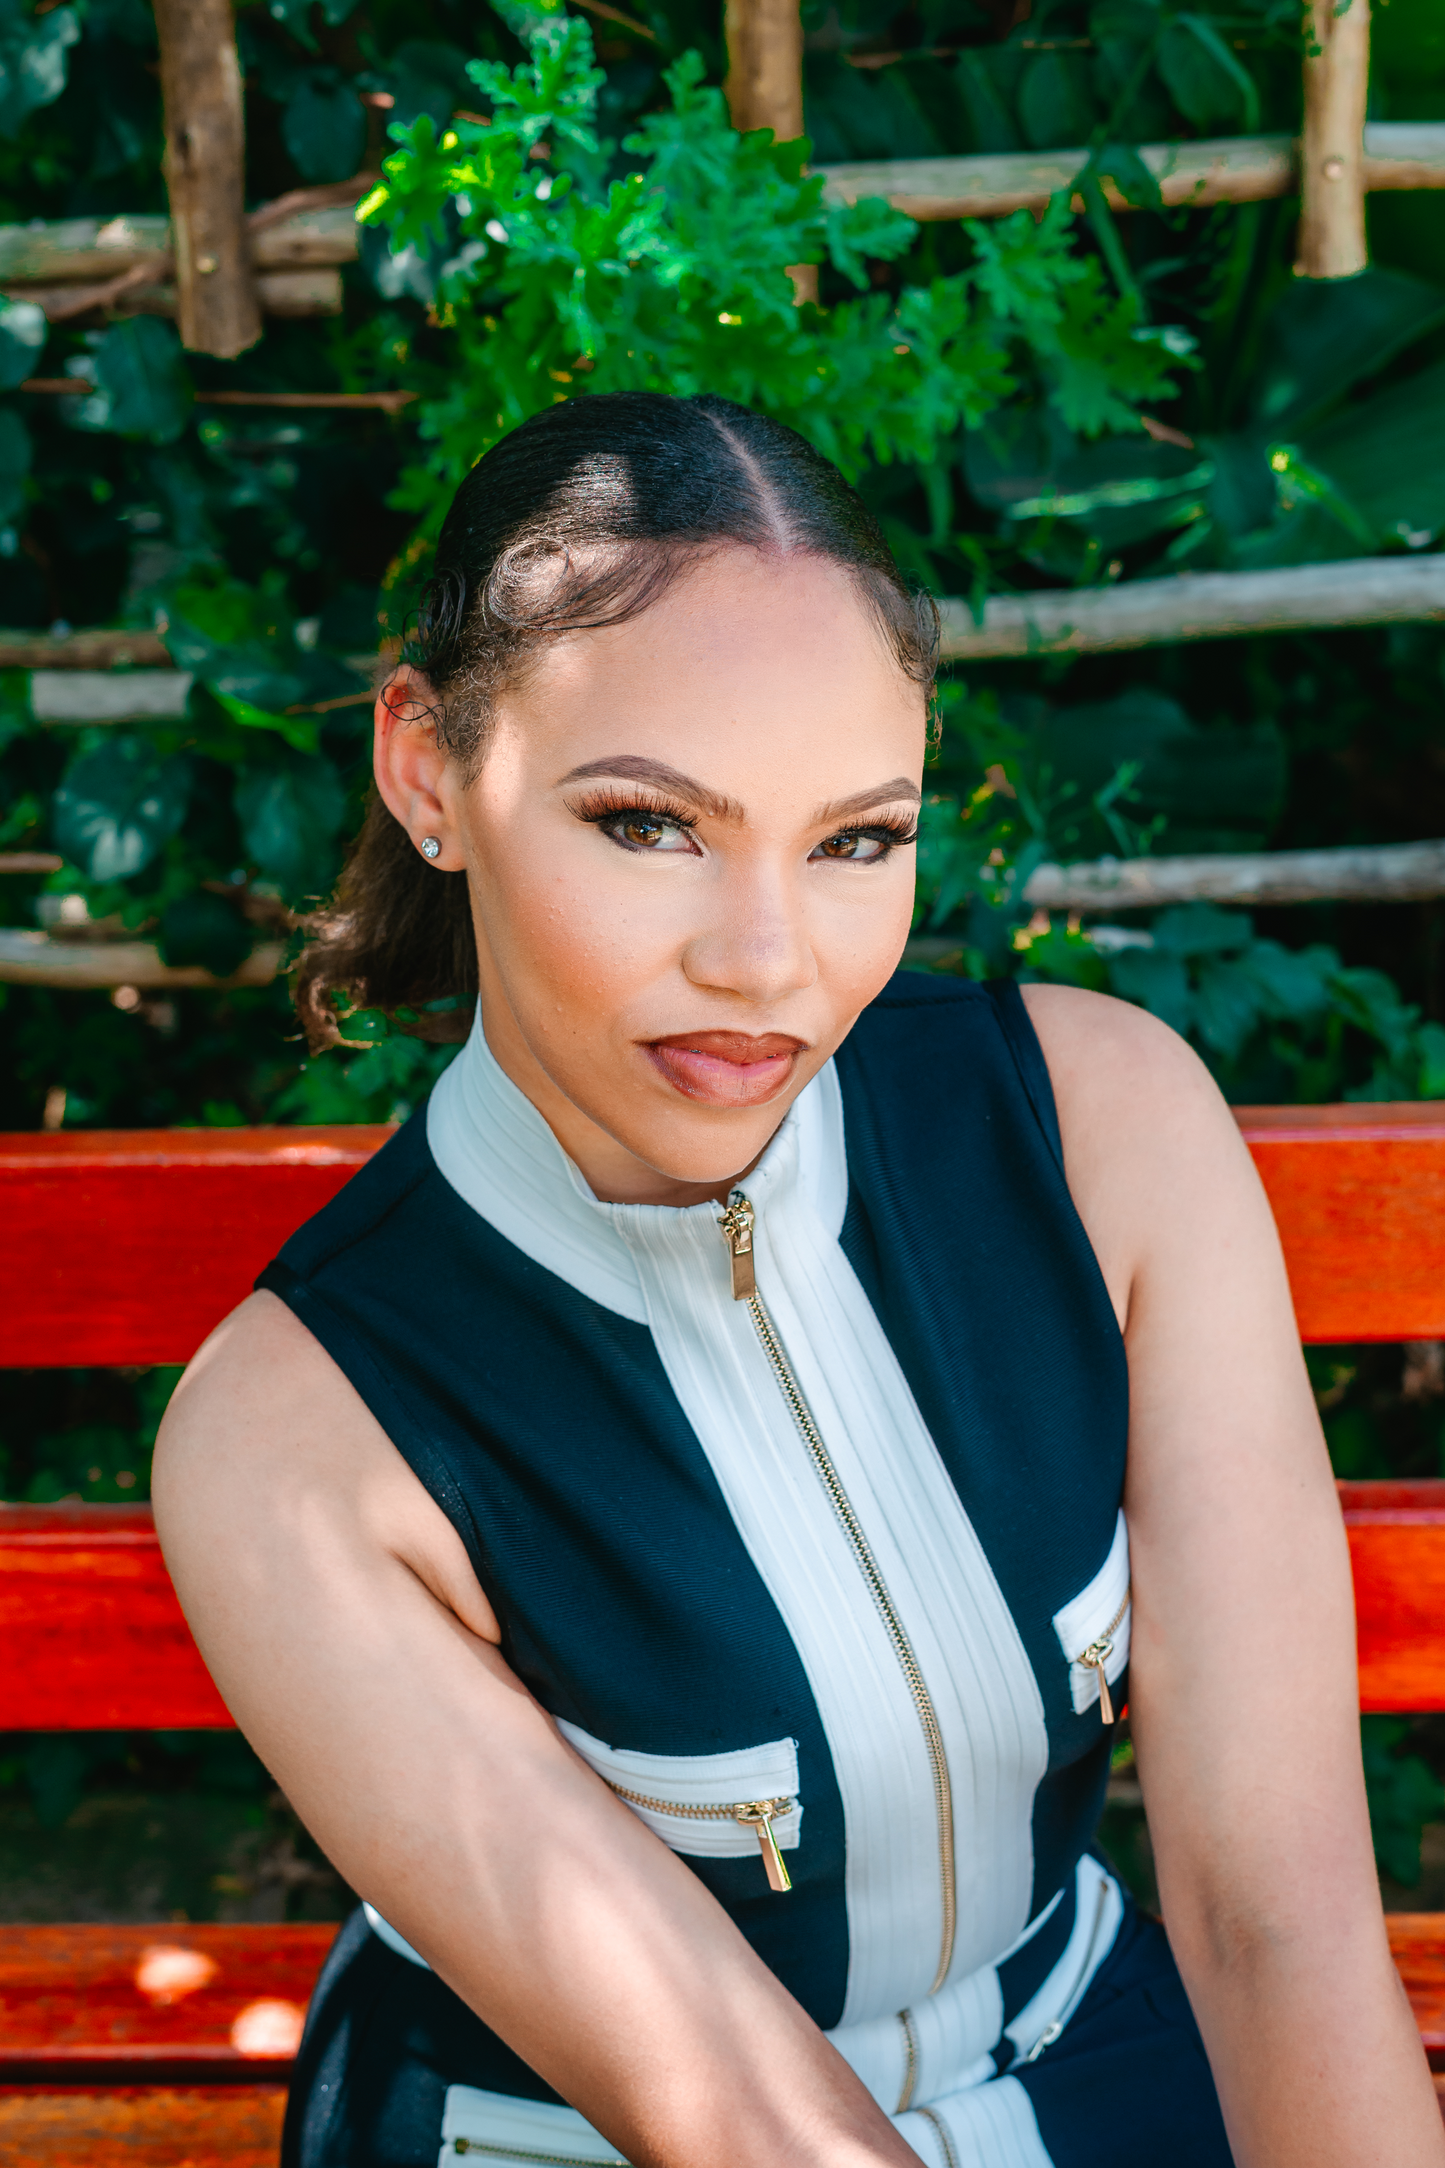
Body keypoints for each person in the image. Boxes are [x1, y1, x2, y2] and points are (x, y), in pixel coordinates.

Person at [152, 391, 1443, 2168]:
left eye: (854, 842)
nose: (767, 963)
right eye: (650, 824)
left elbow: (1277, 1921)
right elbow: (752, 2129)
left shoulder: (1106, 1133)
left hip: (1092, 2063)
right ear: (430, 771)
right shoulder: (297, 1443)